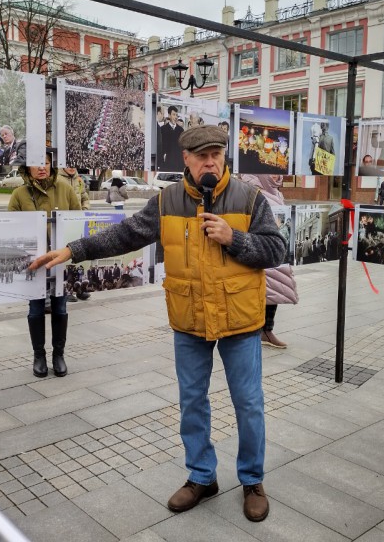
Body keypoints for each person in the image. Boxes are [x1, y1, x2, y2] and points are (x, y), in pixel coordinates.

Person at [28, 125, 284, 522]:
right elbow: (125, 235)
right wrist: (74, 249)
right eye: (202, 156)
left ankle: (252, 480)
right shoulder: (167, 201)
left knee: (248, 403)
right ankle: (202, 476)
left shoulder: (249, 198)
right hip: (189, 319)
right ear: (187, 159)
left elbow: (276, 249)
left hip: (240, 320)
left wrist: (233, 237)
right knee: (192, 402)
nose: (210, 162)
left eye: (216, 154)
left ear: (224, 156)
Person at [8, 150, 80, 377]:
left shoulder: (65, 189)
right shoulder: (19, 194)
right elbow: (12, 229)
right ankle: (39, 355)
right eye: (37, 163)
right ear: (27, 168)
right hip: (34, 264)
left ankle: (59, 354)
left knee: (60, 307)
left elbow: (77, 222)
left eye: (46, 163)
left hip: (59, 262)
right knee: (35, 309)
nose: (42, 167)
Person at [240, 174, 298, 350]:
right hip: (262, 248)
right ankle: (258, 332)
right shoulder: (251, 188)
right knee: (264, 291)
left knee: (274, 292)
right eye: (271, 171)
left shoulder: (274, 190)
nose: (276, 175)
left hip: (276, 248)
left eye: (278, 171)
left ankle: (266, 330)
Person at [159, 105, 184, 171]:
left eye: (176, 115)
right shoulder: (162, 129)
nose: (175, 117)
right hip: (166, 163)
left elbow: (182, 147)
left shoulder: (181, 130)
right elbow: (160, 146)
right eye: (174, 114)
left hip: (178, 164)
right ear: (169, 115)